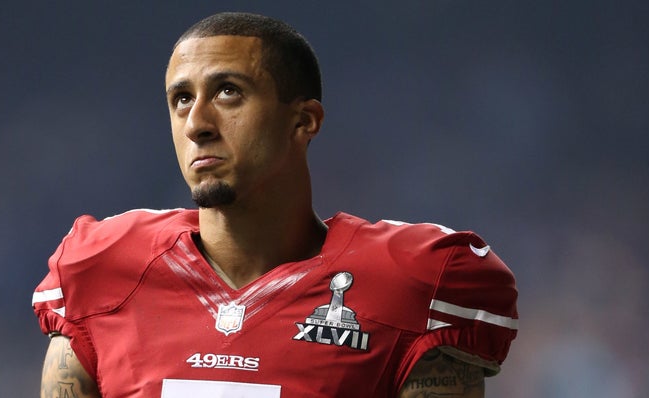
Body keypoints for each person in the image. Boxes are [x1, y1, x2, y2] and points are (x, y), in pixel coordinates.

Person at [32, 12, 518, 398]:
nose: (197, 122)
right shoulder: (100, 270)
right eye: (181, 99)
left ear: (304, 120)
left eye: (228, 92)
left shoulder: (415, 284)